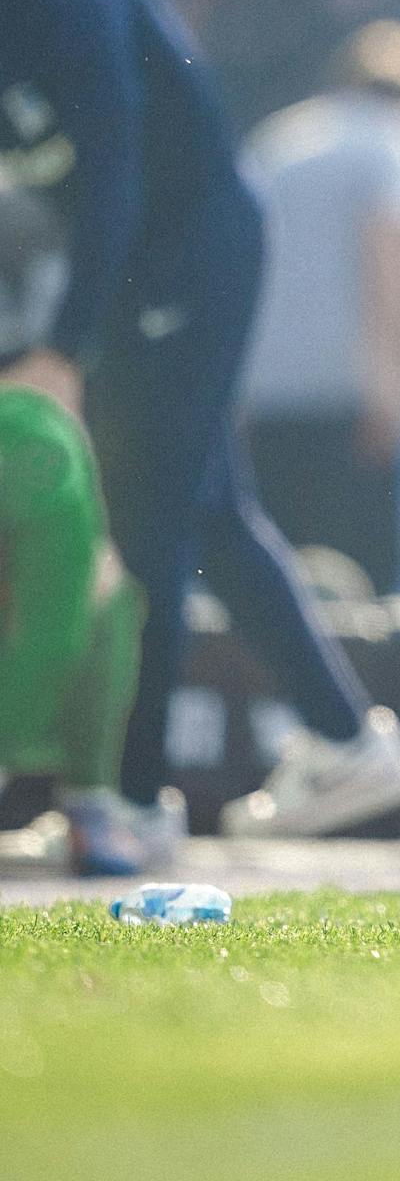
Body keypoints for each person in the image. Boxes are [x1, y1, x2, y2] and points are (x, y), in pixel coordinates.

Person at [0, 0, 400, 858]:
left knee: (147, 525)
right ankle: (347, 740)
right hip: (123, 279)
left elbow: (113, 174)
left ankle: (131, 800)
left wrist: (61, 350)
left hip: (196, 255)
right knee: (211, 510)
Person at [243, 21, 400, 596]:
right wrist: (396, 388)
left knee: (283, 580)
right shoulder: (398, 136)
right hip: (351, 402)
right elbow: (391, 255)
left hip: (265, 400)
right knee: (367, 587)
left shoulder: (278, 138)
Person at [0, 185, 148, 876]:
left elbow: (57, 624)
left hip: (29, 444)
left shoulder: (33, 445)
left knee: (102, 590)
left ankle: (91, 801)